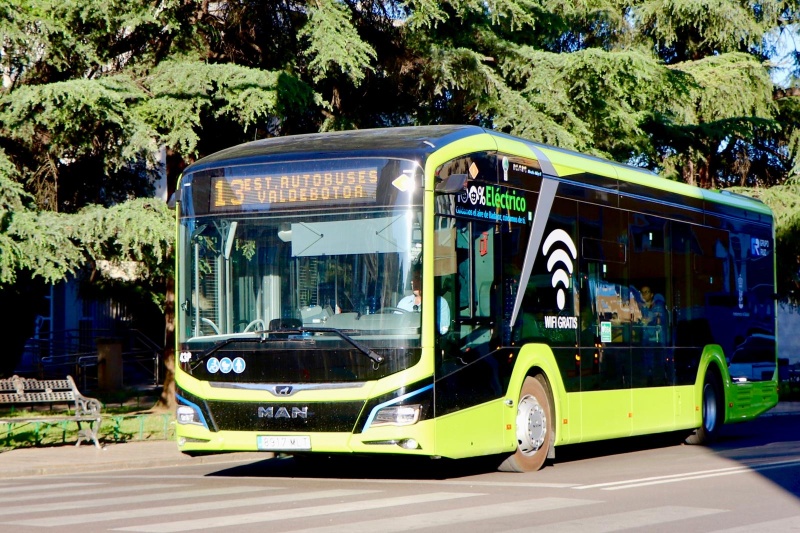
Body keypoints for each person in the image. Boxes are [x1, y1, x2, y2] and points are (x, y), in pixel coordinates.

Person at [397, 267, 451, 334]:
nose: (413, 282)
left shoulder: (440, 303)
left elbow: (443, 330)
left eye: (417, 278)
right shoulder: (404, 302)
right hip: (404, 340)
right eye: (413, 278)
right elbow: (395, 325)